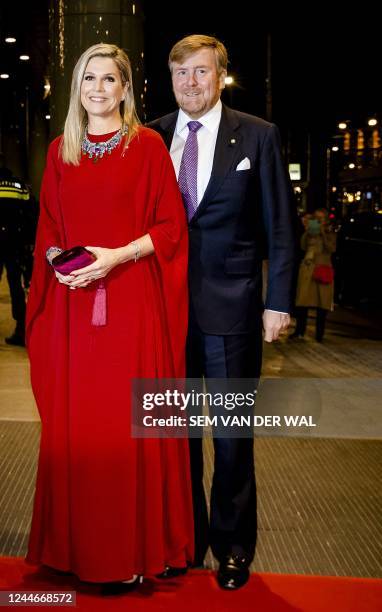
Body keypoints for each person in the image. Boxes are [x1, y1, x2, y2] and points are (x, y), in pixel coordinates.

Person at [25, 43, 194, 590]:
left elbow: (171, 228)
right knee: (80, 427)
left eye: (109, 80)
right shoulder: (60, 151)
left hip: (130, 306)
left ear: (126, 88)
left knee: (127, 428)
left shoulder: (147, 147)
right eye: (88, 79)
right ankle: (76, 551)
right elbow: (49, 230)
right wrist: (61, 264)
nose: (98, 89)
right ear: (78, 88)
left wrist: (115, 257)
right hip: (74, 309)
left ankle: (135, 551)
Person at [149, 34, 297, 590]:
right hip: (161, 313)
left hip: (233, 312)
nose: (191, 82)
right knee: (173, 435)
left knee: (232, 436)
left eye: (202, 72)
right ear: (171, 80)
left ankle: (233, 547)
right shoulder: (149, 136)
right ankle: (183, 541)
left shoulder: (258, 136)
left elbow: (281, 224)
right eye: (181, 73)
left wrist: (278, 300)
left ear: (221, 76)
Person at [0, 158, 36, 347]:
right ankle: (21, 329)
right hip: (15, 242)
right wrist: (29, 241)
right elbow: (31, 213)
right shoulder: (19, 186)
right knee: (16, 286)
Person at [291, 208, 337, 342]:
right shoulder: (311, 232)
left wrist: (322, 233)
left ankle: (319, 334)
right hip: (308, 270)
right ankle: (299, 331)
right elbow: (303, 246)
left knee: (322, 304)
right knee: (303, 302)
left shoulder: (330, 233)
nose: (318, 220)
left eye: (321, 218)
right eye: (316, 218)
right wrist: (308, 232)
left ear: (327, 220)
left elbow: (331, 248)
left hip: (322, 270)